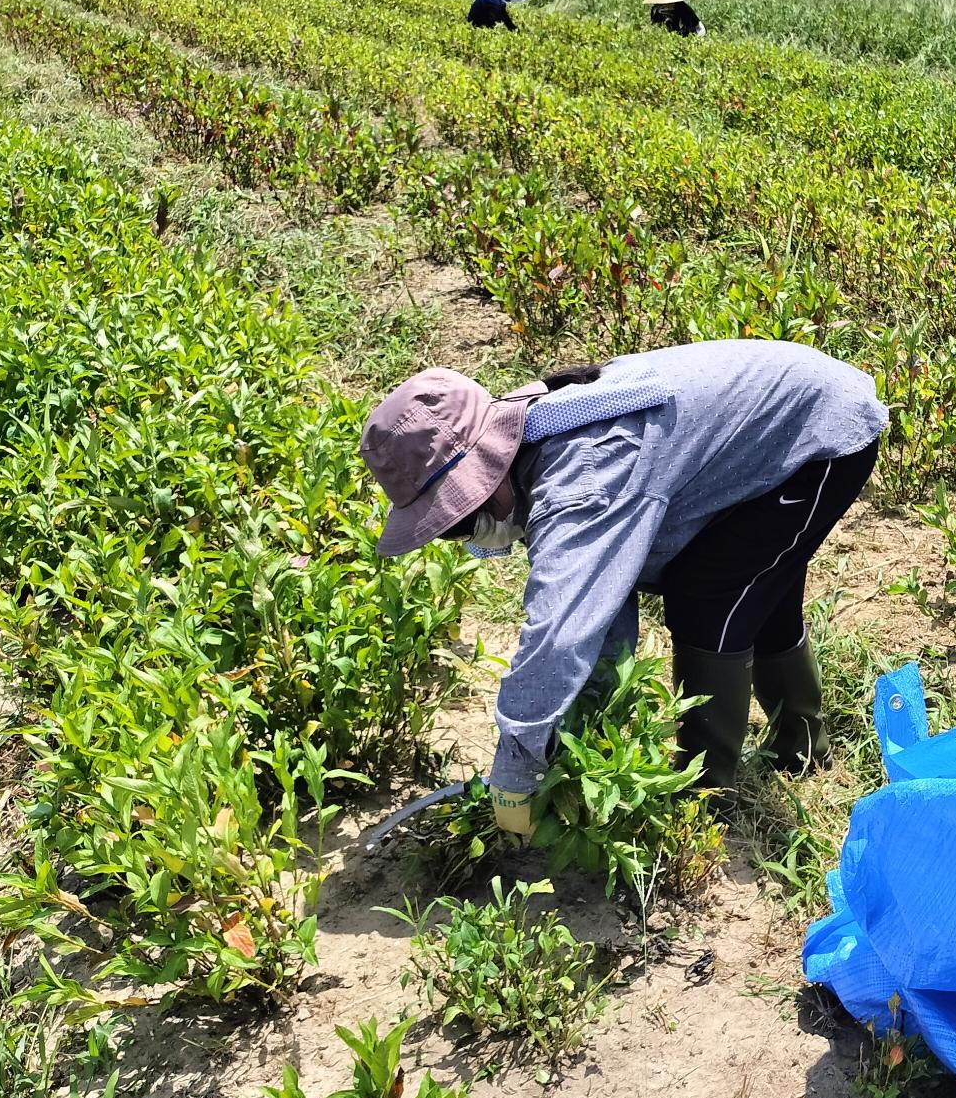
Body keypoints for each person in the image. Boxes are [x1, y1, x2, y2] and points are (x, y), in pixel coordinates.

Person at [359, 342, 886, 836]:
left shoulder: (580, 482)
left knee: (713, 600)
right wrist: (578, 737)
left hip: (819, 434)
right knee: (759, 587)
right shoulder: (533, 441)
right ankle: (802, 748)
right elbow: (600, 608)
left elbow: (559, 638)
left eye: (459, 515)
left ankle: (707, 800)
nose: (464, 530)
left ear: (486, 466)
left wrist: (516, 778)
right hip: (784, 416)